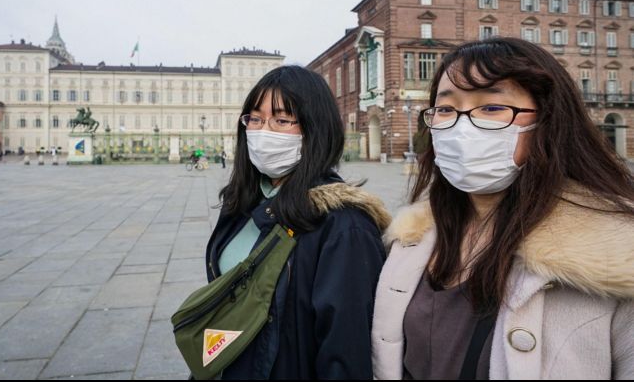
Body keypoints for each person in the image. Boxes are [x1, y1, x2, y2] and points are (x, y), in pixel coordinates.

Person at [371, 37, 634, 380]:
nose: (462, 126)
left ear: (547, 120)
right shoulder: (411, 238)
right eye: (446, 109)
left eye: (492, 107)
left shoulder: (617, 253)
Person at [205, 65, 390, 379]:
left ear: (314, 128)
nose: (263, 131)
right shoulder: (243, 202)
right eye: (255, 119)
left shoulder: (345, 228)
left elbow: (344, 356)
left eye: (281, 120)